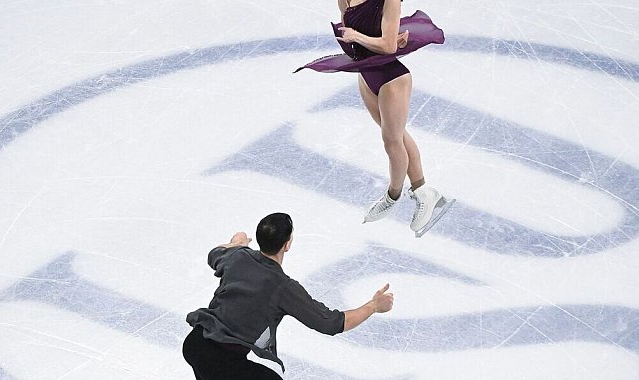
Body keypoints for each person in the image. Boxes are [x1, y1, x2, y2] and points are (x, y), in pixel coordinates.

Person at [296, 0, 448, 233]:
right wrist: (370, 39)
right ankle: (425, 192)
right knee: (398, 136)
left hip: (393, 79)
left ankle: (393, 195)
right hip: (367, 75)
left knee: (392, 142)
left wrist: (362, 37)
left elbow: (385, 47)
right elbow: (355, 43)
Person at [183, 213, 394, 379]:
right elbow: (331, 323)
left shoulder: (237, 257)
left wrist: (236, 243)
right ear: (287, 244)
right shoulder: (283, 288)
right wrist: (373, 306)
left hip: (195, 345)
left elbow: (215, 254)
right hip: (222, 360)